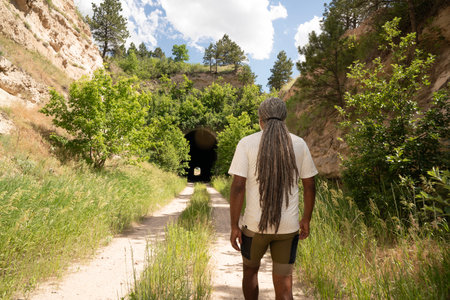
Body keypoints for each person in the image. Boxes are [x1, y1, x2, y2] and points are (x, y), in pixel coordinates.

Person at [228, 97, 317, 300]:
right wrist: (306, 219)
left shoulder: (247, 143)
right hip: (287, 229)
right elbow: (310, 185)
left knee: (250, 272)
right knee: (284, 284)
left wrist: (234, 225)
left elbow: (238, 187)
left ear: (261, 119)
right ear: (285, 119)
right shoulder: (299, 144)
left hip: (254, 227)